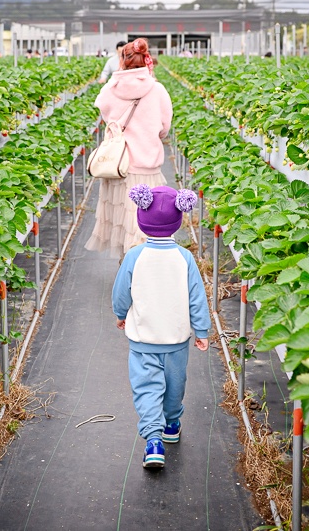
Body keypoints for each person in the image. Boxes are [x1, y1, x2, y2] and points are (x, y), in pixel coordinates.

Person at [113, 184, 210, 469]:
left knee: (146, 388)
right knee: (174, 387)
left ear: (141, 219)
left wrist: (120, 313)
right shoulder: (185, 258)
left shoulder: (134, 256)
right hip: (176, 340)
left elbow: (122, 291)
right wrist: (201, 330)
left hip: (143, 340)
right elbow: (197, 297)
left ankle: (153, 441)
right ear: (178, 221)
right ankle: (170, 425)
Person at [86, 38, 172, 257]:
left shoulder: (111, 89)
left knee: (123, 224)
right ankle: (143, 273)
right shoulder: (157, 90)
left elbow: (105, 116)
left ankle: (126, 271)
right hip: (147, 166)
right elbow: (164, 128)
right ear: (146, 60)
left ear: (122, 60)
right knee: (144, 225)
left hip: (118, 167)